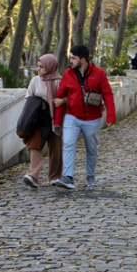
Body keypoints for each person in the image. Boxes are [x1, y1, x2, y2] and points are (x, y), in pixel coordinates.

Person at [51, 45, 116, 189]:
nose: (71, 61)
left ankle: (90, 176)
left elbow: (108, 94)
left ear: (83, 60)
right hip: (72, 116)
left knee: (91, 148)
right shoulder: (68, 73)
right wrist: (57, 120)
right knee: (67, 143)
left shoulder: (98, 73)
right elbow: (60, 96)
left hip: (93, 118)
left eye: (73, 58)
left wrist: (111, 116)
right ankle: (68, 177)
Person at [21, 54, 64, 187]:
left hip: (55, 119)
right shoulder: (35, 80)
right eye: (38, 66)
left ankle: (55, 177)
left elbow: (68, 97)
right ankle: (32, 175)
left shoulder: (60, 81)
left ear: (51, 66)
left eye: (42, 67)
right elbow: (29, 97)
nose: (39, 69)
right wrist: (39, 103)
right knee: (35, 146)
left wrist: (61, 101)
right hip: (39, 120)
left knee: (56, 148)